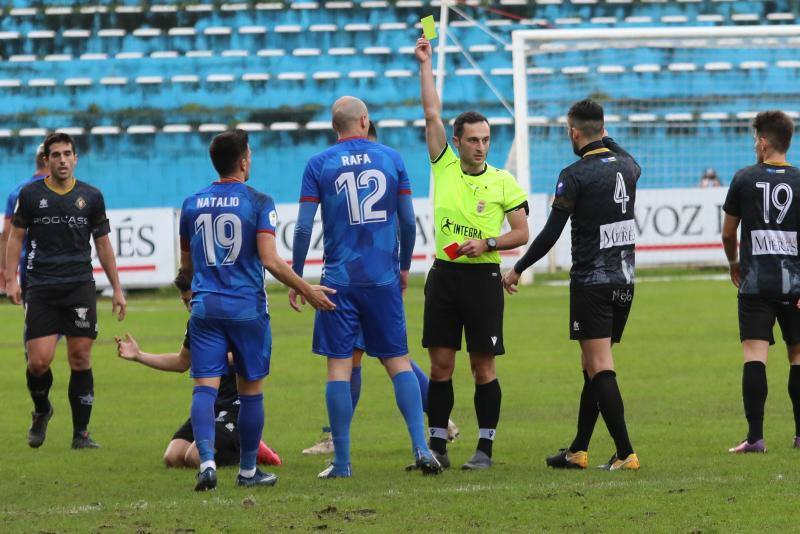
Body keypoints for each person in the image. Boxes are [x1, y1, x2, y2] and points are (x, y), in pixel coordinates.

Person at [290, 96, 442, 478]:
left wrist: (295, 275)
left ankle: (341, 463)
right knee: (397, 362)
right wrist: (403, 266)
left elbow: (305, 227)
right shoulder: (391, 158)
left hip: (337, 282)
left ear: (334, 126)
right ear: (364, 120)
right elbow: (408, 222)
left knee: (338, 371)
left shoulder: (318, 164)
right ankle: (422, 448)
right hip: (382, 278)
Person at [178, 128, 335, 491]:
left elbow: (186, 268)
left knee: (204, 388)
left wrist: (192, 291)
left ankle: (206, 461)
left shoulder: (191, 204)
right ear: (244, 160)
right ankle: (248, 471)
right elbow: (270, 260)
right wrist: (306, 288)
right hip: (246, 309)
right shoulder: (259, 202)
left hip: (205, 309)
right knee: (250, 391)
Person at [503, 99, 641, 471]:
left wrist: (519, 267)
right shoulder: (628, 166)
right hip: (625, 281)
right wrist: (605, 139)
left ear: (574, 133)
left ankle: (626, 452)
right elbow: (625, 156)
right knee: (591, 366)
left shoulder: (574, 174)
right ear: (604, 129)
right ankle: (578, 449)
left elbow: (551, 232)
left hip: (591, 283)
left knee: (599, 365)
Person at [415, 37, 530, 470]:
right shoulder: (443, 165)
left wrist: (489, 243)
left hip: (483, 279)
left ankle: (485, 447)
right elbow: (431, 113)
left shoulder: (504, 181)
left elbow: (521, 232)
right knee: (441, 365)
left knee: (483, 367)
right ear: (457, 142)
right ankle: (439, 445)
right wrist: (426, 65)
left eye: (485, 139)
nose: (481, 146)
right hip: (444, 276)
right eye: (473, 140)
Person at [5, 132, 127, 450]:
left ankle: (81, 434)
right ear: (46, 160)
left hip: (79, 287)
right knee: (38, 363)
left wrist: (117, 288)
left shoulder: (92, 196)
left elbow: (103, 244)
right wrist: (10, 279)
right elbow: (14, 238)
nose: (62, 160)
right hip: (42, 287)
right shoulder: (30, 195)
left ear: (75, 158)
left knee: (80, 356)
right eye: (55, 154)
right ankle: (42, 409)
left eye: (67, 154)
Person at [721, 110, 800, 453]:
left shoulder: (744, 178)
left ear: (765, 142)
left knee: (755, 355)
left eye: (756, 139)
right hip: (795, 285)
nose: (755, 144)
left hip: (755, 283)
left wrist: (734, 261)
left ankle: (755, 437)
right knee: (797, 355)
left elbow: (728, 233)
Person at [115, 324, 281, 468]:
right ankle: (237, 445)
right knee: (173, 458)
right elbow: (182, 362)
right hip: (213, 405)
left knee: (194, 457)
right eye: (186, 300)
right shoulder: (196, 322)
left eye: (192, 298)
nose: (190, 304)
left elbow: (253, 351)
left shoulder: (234, 313)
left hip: (235, 406)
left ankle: (250, 448)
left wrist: (211, 358)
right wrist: (139, 355)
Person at [0, 143, 48, 294]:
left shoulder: (17, 192)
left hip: (29, 267)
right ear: (49, 160)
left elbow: (6, 235)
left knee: (35, 316)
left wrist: (5, 271)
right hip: (64, 269)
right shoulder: (66, 191)